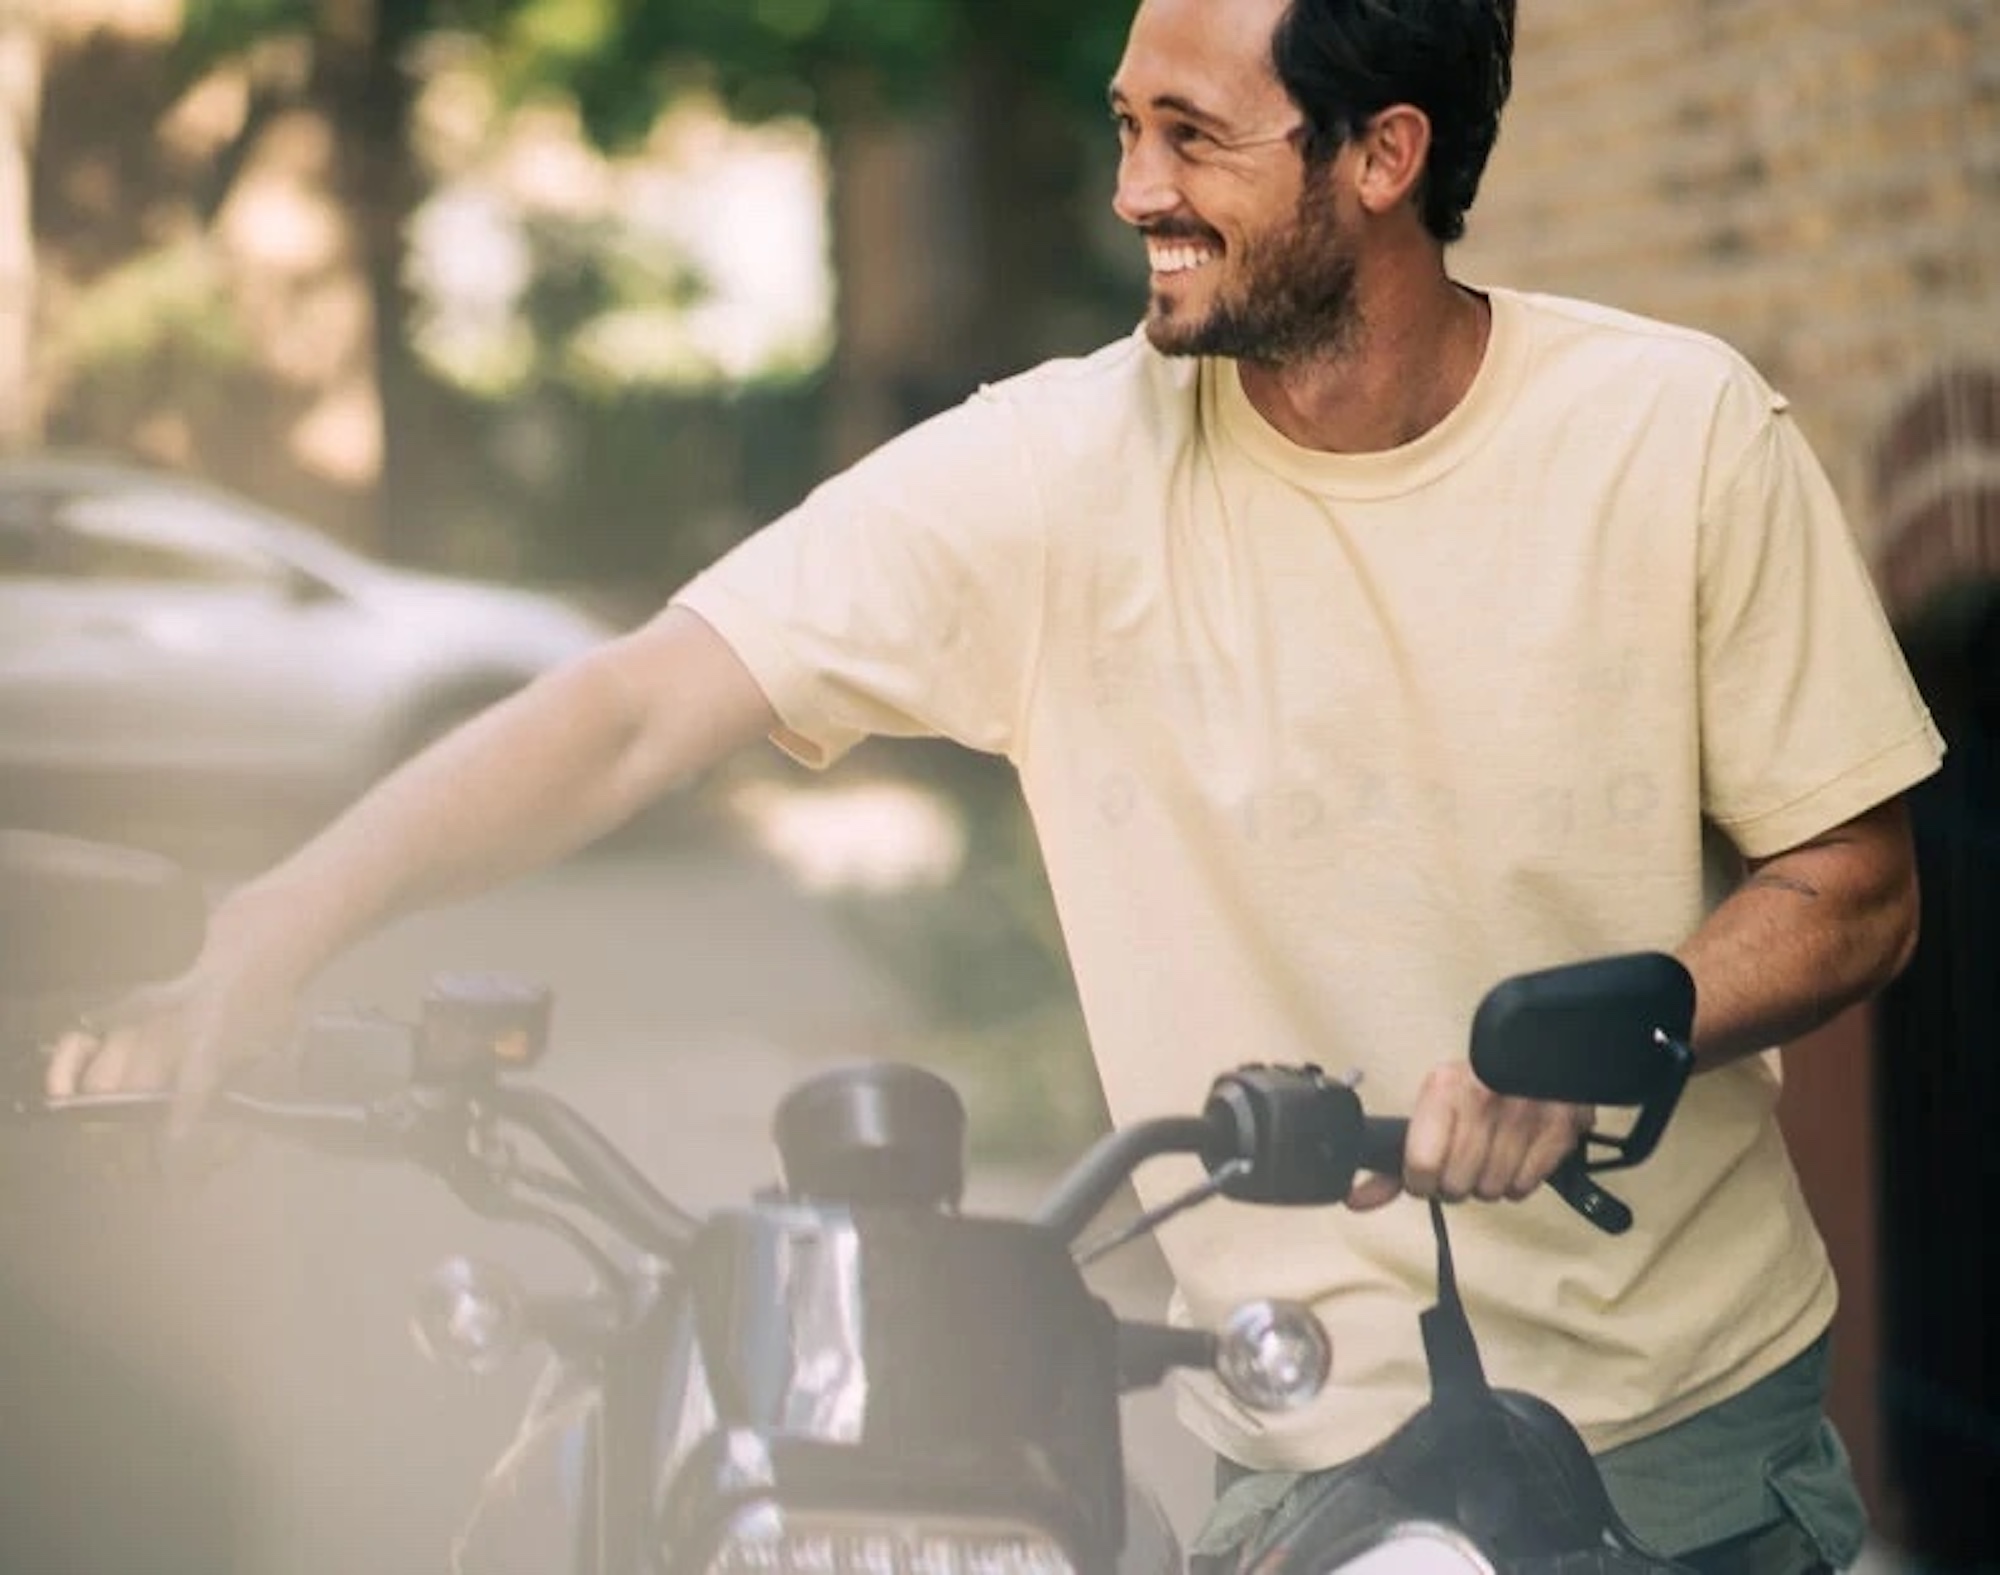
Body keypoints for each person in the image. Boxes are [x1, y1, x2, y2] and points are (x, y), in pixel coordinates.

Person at [50, 0, 1942, 1569]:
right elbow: (633, 707)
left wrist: (1633, 1026)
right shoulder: (1055, 477)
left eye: (1196, 139)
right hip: (1299, 1456)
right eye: (1126, 126)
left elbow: (1857, 881)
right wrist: (278, 920)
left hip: (1685, 1449)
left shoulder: (1675, 435)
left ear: (1385, 156)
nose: (1136, 190)